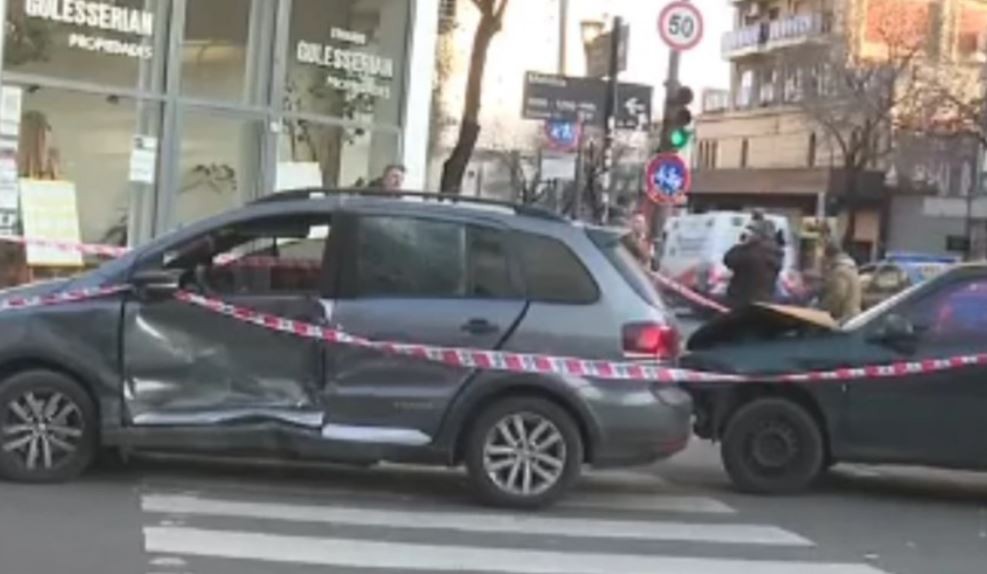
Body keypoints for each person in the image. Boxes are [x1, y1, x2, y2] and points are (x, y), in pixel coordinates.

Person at [723, 217, 783, 309]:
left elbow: (729, 260)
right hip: (765, 300)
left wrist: (743, 244)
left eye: (751, 231)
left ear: (758, 234)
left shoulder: (750, 251)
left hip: (742, 300)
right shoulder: (776, 251)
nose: (749, 234)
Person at [819, 241, 862, 322]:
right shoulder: (851, 268)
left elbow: (837, 295)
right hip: (853, 316)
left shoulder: (839, 272)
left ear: (829, 256)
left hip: (844, 318)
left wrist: (823, 309)